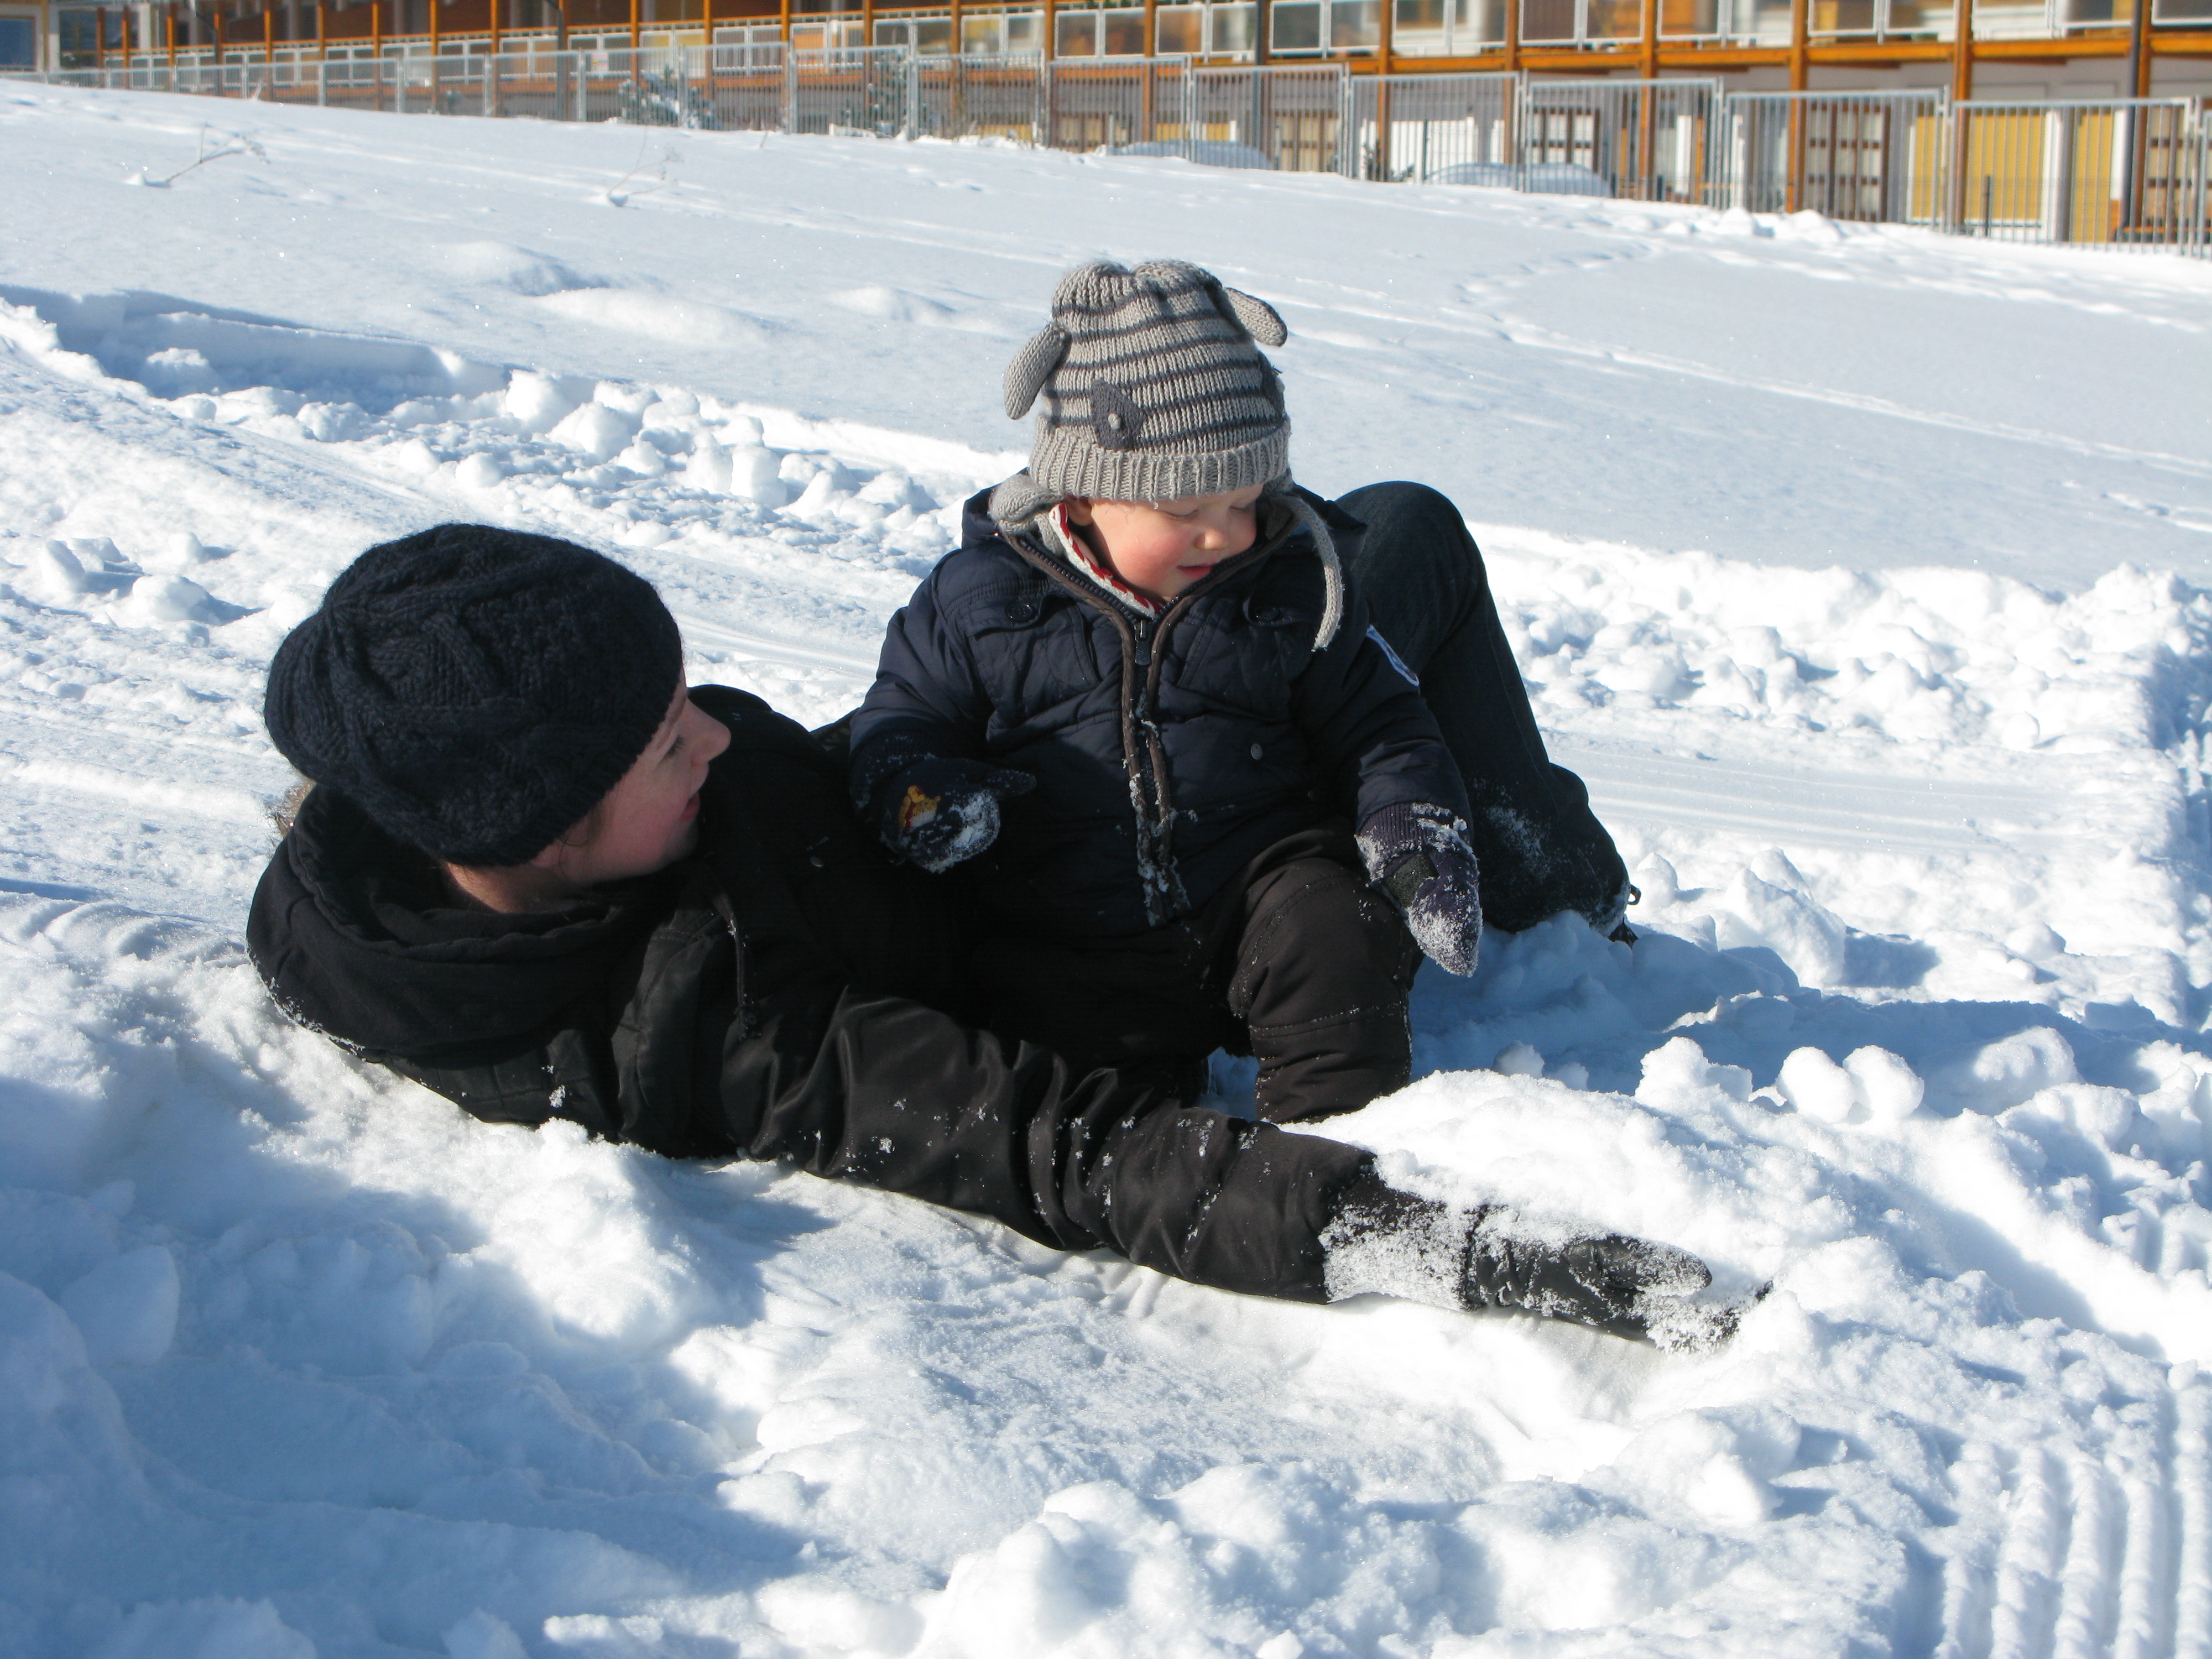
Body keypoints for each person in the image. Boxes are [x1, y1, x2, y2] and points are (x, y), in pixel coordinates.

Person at [246, 526, 1721, 1347]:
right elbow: (1072, 1153)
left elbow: (811, 769)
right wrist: (1450, 1242)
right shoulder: (725, 1030)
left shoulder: (454, 788)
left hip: (999, 798)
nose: (711, 736)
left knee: (1381, 535)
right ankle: (1560, 896)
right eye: (664, 745)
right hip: (1141, 917)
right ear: (543, 835)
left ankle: (1546, 877)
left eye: (685, 700)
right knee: (1406, 573)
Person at [848, 259, 1477, 1123]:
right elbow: (904, 717)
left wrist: (1412, 827)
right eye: (1187, 512)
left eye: (1246, 502)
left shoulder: (1294, 593)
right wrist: (920, 795)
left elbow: (1382, 724)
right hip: (1067, 923)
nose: (1225, 534)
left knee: (1336, 930)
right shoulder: (982, 602)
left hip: (1255, 893)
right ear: (1083, 496)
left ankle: (1336, 1144)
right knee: (1059, 1080)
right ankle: (1148, 1139)